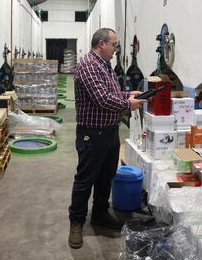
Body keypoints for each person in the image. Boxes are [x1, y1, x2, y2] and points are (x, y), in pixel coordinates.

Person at [68, 28, 145, 249]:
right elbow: (102, 99)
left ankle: (100, 213)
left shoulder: (105, 66)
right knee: (85, 180)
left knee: (105, 177)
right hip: (92, 134)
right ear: (102, 43)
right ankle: (76, 223)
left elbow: (111, 93)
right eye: (114, 44)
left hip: (110, 133)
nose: (115, 49)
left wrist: (128, 95)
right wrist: (127, 104)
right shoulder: (89, 66)